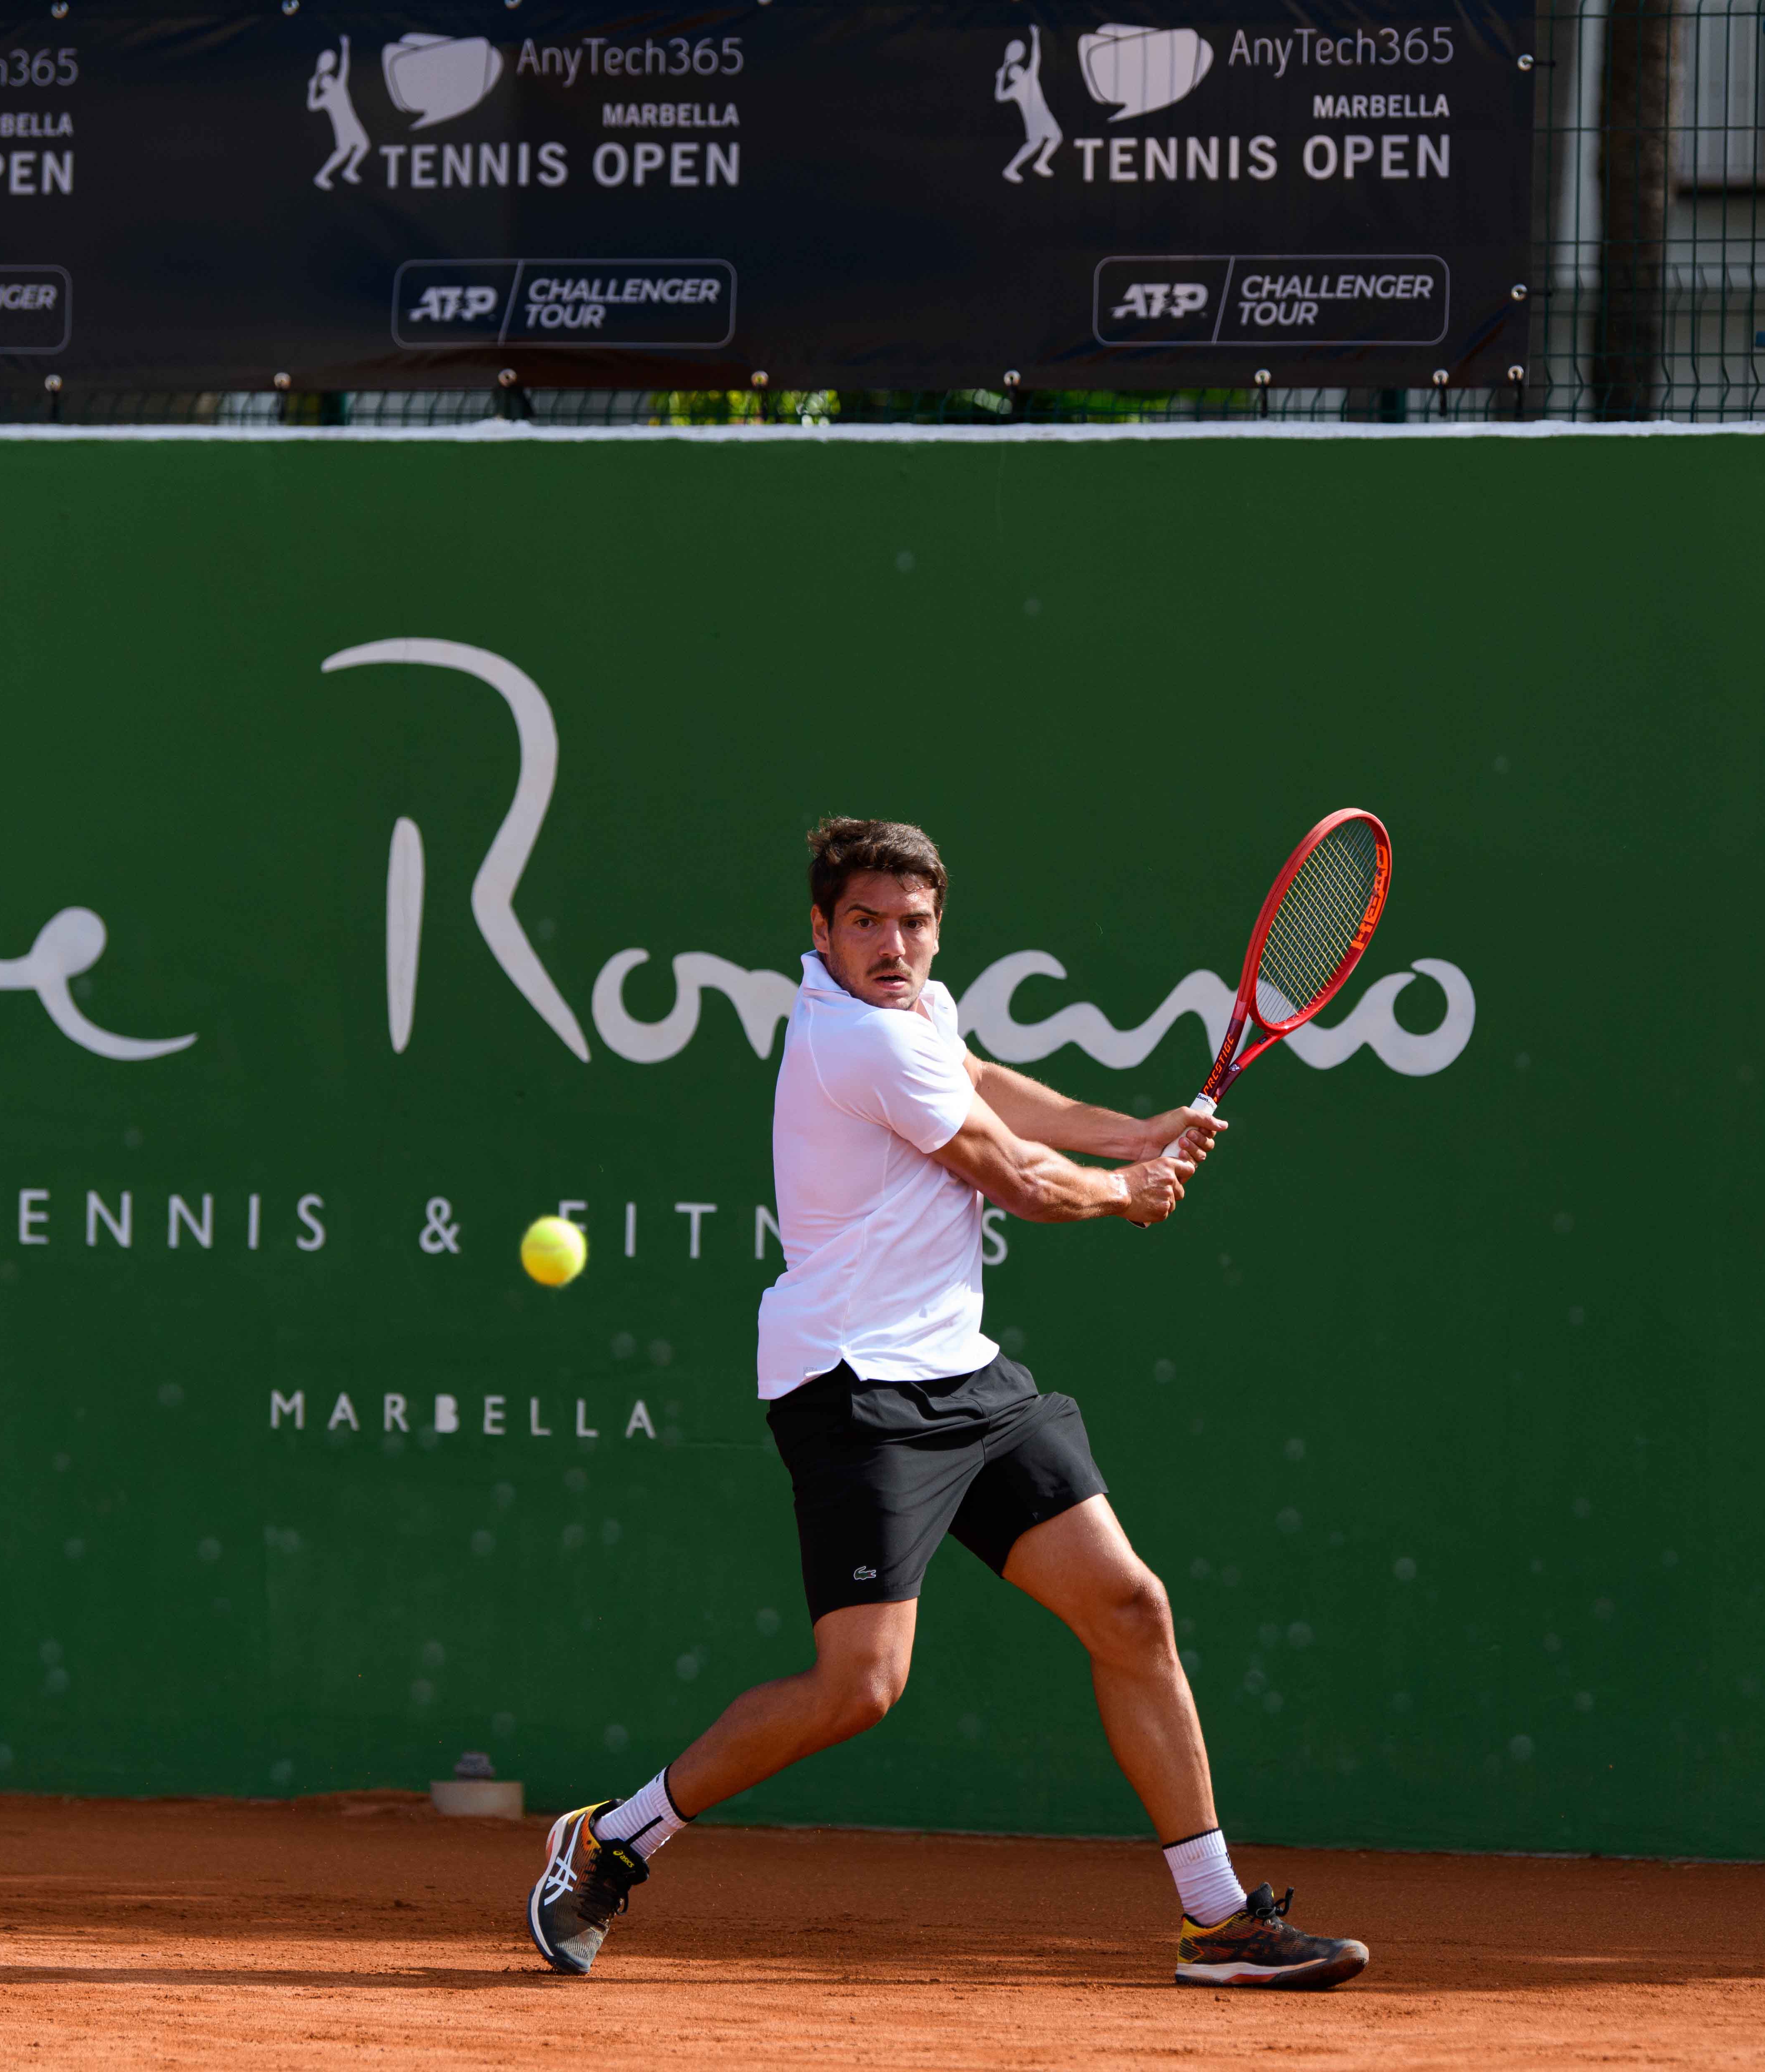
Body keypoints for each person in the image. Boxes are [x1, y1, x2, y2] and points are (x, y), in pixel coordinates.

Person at [526, 818, 1371, 1990]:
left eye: (912, 923)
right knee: (858, 1686)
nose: (892, 944)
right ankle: (616, 1838)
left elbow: (982, 1083)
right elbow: (1010, 1173)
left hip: (962, 1376)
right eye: (864, 922)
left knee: (1130, 1608)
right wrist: (1124, 1190)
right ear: (819, 933)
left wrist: (1133, 1127)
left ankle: (1216, 1918)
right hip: (852, 1388)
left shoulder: (917, 1012)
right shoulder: (850, 1041)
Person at [996, 26, 1062, 183]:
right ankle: (1033, 164)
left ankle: (1020, 167)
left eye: (1019, 68)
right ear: (1015, 77)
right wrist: (1035, 38)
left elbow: (1036, 57)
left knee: (1041, 142)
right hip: (1038, 118)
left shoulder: (1023, 81)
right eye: (1016, 71)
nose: (1019, 69)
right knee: (1053, 138)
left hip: (1038, 117)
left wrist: (1000, 79)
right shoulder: (1026, 81)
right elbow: (999, 97)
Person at [308, 37, 370, 191]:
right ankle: (322, 176)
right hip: (343, 127)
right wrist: (311, 89)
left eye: (330, 77)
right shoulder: (327, 98)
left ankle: (349, 171)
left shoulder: (340, 86)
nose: (330, 78)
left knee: (364, 145)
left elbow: (345, 66)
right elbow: (312, 106)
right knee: (344, 151)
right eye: (327, 79)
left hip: (353, 122)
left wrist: (345, 47)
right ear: (324, 86)